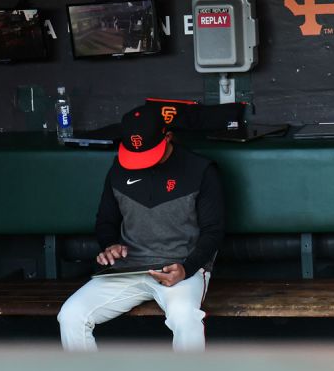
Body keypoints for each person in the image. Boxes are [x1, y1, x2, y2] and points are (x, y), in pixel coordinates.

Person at [57, 106, 224, 351]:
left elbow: (214, 231)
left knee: (184, 318)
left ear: (167, 137)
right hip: (128, 268)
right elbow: (105, 221)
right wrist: (109, 245)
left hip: (179, 268)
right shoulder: (119, 167)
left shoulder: (200, 170)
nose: (141, 161)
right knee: (71, 315)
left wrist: (186, 268)